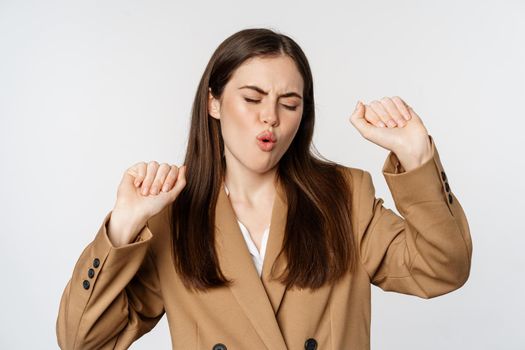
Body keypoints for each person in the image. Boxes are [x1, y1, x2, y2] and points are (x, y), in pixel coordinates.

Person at [56, 27, 473, 350]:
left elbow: (442, 269)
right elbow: (83, 340)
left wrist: (417, 158)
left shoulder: (344, 196)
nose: (270, 117)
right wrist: (122, 228)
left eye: (289, 103)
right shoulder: (173, 218)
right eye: (252, 98)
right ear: (213, 103)